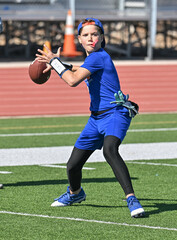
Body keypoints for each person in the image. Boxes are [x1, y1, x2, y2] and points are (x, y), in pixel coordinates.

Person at [36, 17, 145, 218]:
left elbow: (72, 81)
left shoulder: (98, 57)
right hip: (95, 119)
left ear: (102, 37)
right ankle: (75, 193)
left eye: (95, 34)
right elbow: (80, 69)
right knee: (73, 166)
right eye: (85, 35)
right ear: (79, 39)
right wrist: (60, 64)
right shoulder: (93, 59)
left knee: (110, 150)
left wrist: (54, 62)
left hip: (115, 113)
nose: (91, 38)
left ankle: (132, 198)